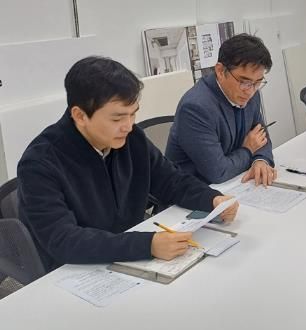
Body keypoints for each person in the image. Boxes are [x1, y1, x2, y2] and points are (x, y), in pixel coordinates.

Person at [17, 56, 239, 272]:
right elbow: (63, 240)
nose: (128, 126)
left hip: (129, 258)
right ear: (80, 116)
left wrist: (212, 199)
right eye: (117, 118)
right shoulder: (40, 163)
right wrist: (147, 245)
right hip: (76, 270)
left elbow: (170, 180)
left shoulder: (131, 139)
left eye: (133, 115)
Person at [166, 34, 276, 186]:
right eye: (244, 81)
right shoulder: (195, 108)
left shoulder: (251, 94)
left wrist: (260, 160)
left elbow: (261, 138)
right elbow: (218, 172)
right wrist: (249, 150)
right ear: (220, 70)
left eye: (257, 82)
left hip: (233, 183)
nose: (250, 91)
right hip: (193, 190)